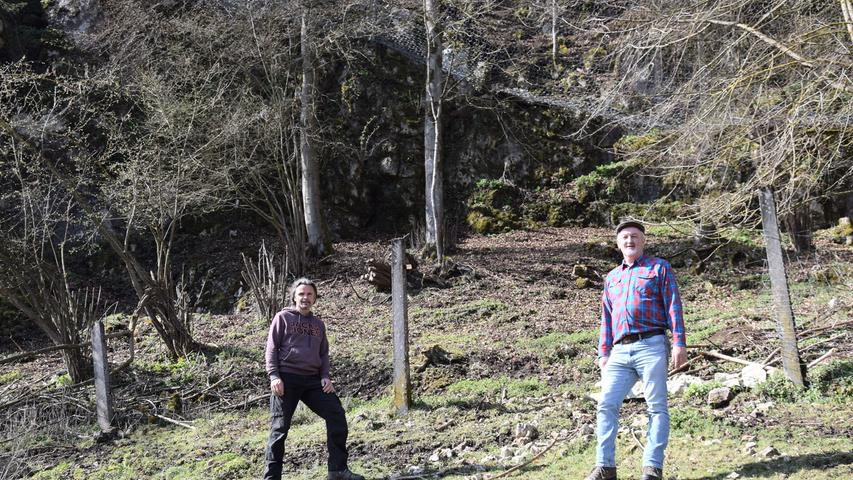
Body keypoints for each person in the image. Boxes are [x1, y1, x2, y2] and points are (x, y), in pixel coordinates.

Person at [586, 220, 687, 480]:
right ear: (618, 244)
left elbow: (674, 306)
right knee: (606, 404)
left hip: (652, 344)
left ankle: (652, 469)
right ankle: (605, 467)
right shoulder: (612, 277)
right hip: (619, 352)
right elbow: (606, 319)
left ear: (643, 241)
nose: (629, 241)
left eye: (634, 236)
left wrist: (678, 343)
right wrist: (603, 353)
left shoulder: (659, 268)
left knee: (656, 407)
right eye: (624, 237)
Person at [263, 278, 365, 480]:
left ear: (315, 298)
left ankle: (337, 471)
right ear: (294, 296)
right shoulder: (282, 318)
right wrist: (274, 376)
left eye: (310, 294)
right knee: (279, 429)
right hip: (286, 379)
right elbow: (271, 348)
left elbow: (324, 354)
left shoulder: (318, 325)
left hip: (312, 381)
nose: (305, 298)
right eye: (301, 294)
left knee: (336, 415)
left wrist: (325, 377)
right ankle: (271, 477)